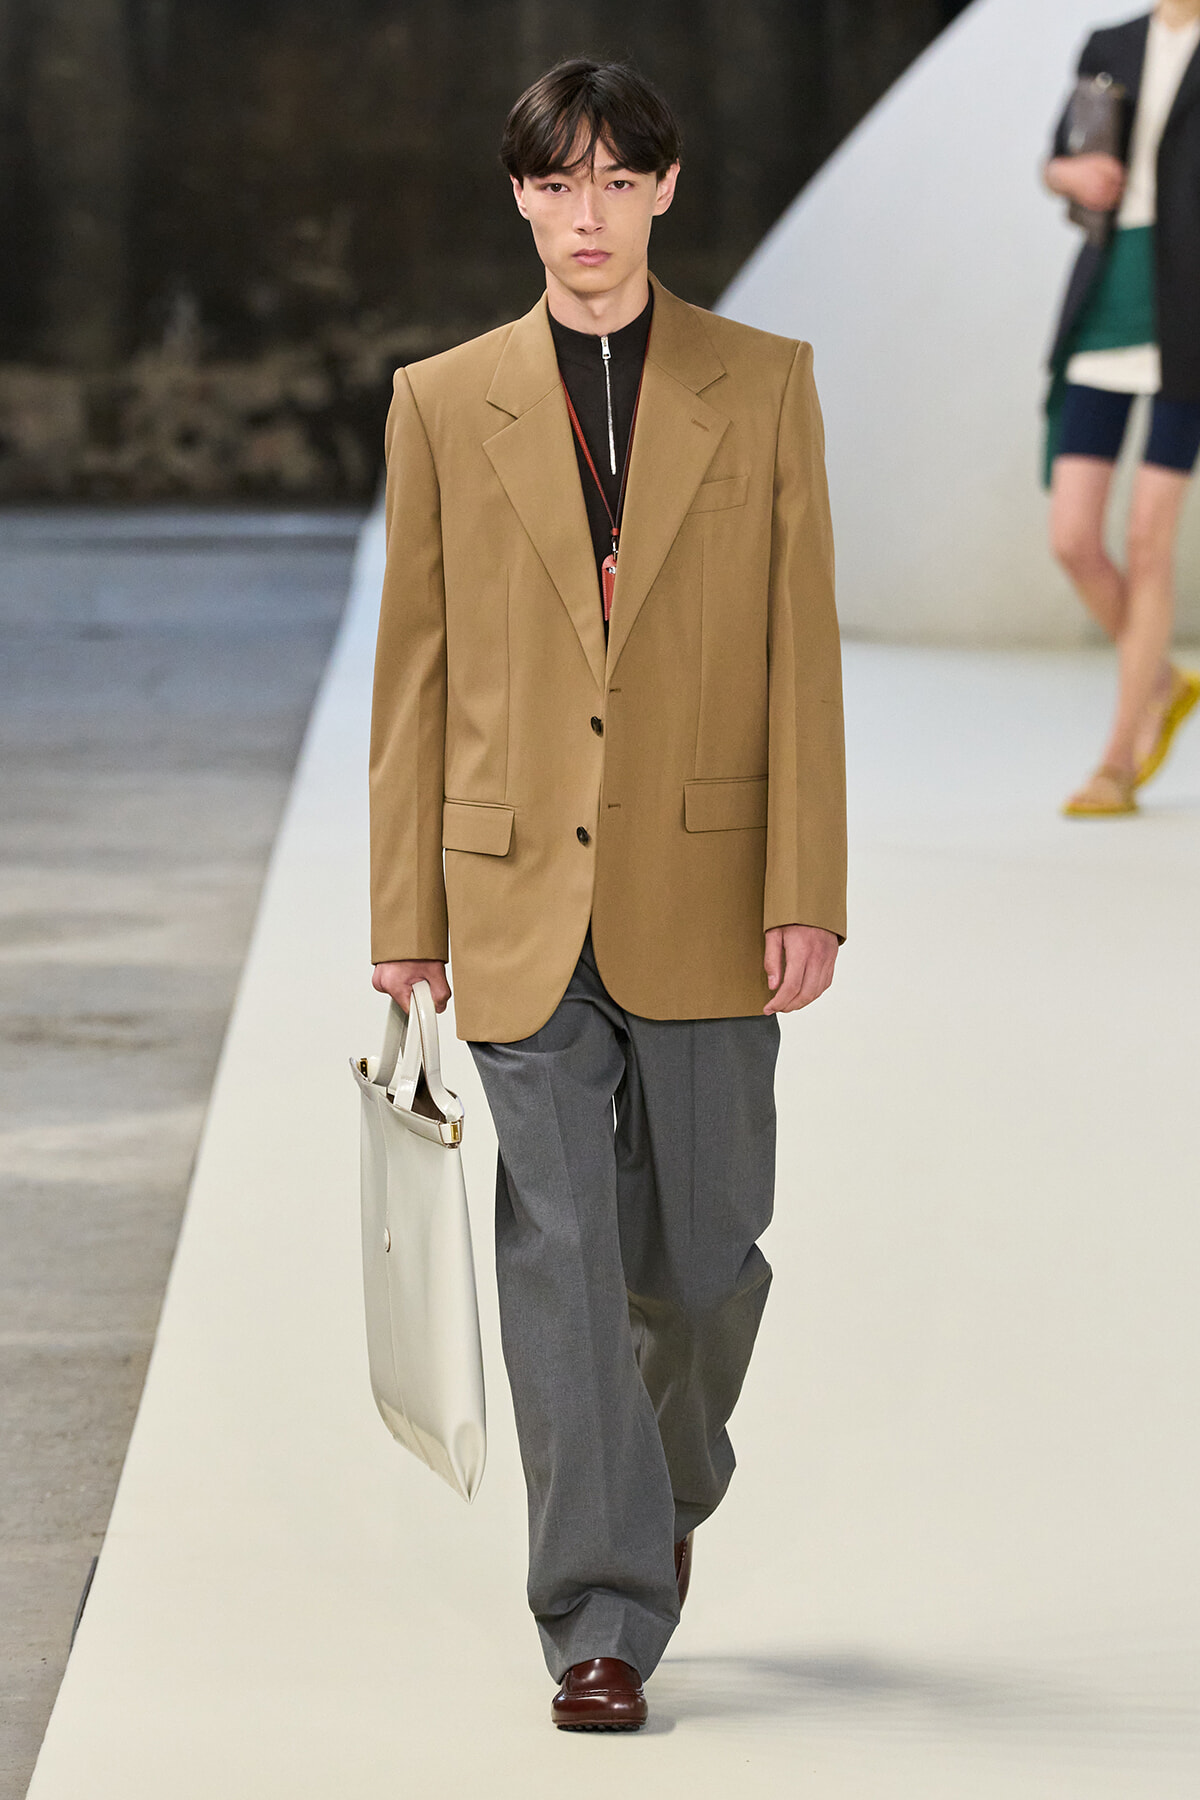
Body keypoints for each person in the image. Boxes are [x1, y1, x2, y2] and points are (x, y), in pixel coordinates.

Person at [368, 58, 845, 1731]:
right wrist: (403, 918)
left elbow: (800, 651)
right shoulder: (443, 401)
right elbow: (413, 672)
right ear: (521, 198)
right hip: (513, 888)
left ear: (664, 189)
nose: (588, 215)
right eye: (557, 183)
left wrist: (807, 884)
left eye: (616, 181)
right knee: (561, 1255)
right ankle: (599, 1612)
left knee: (704, 1267)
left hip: (708, 881)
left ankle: (661, 1486)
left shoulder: (763, 384)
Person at [1043, 2, 1200, 817]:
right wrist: (1073, 177)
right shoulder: (1111, 43)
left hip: (1190, 321)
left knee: (1147, 539)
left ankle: (1117, 762)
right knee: (1072, 538)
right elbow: (1057, 159)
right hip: (1107, 299)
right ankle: (1164, 681)